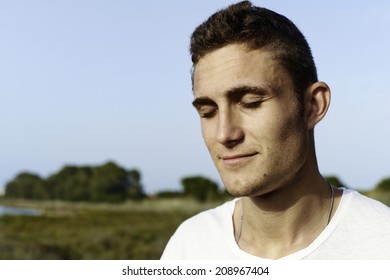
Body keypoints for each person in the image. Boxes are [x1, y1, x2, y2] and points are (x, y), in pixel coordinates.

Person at [161, 1, 390, 260]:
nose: (224, 134)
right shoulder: (188, 246)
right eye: (208, 112)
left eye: (251, 103)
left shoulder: (382, 243)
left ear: (313, 106)